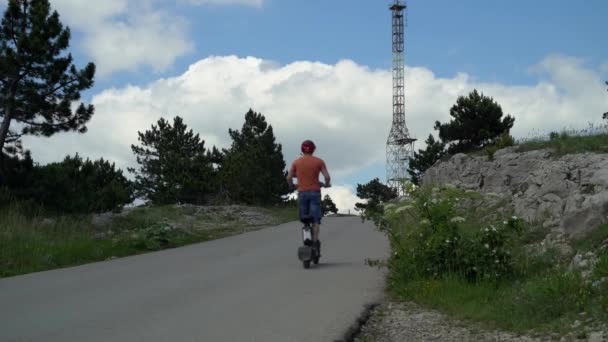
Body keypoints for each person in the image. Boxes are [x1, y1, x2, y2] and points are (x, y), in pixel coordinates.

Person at [286, 140, 331, 254]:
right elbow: (327, 177)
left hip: (302, 193)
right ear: (314, 149)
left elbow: (289, 177)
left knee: (305, 219)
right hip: (315, 193)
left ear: (302, 149)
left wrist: (292, 186)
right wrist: (326, 184)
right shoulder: (319, 161)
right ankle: (315, 244)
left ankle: (306, 236)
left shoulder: (296, 162)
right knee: (315, 220)